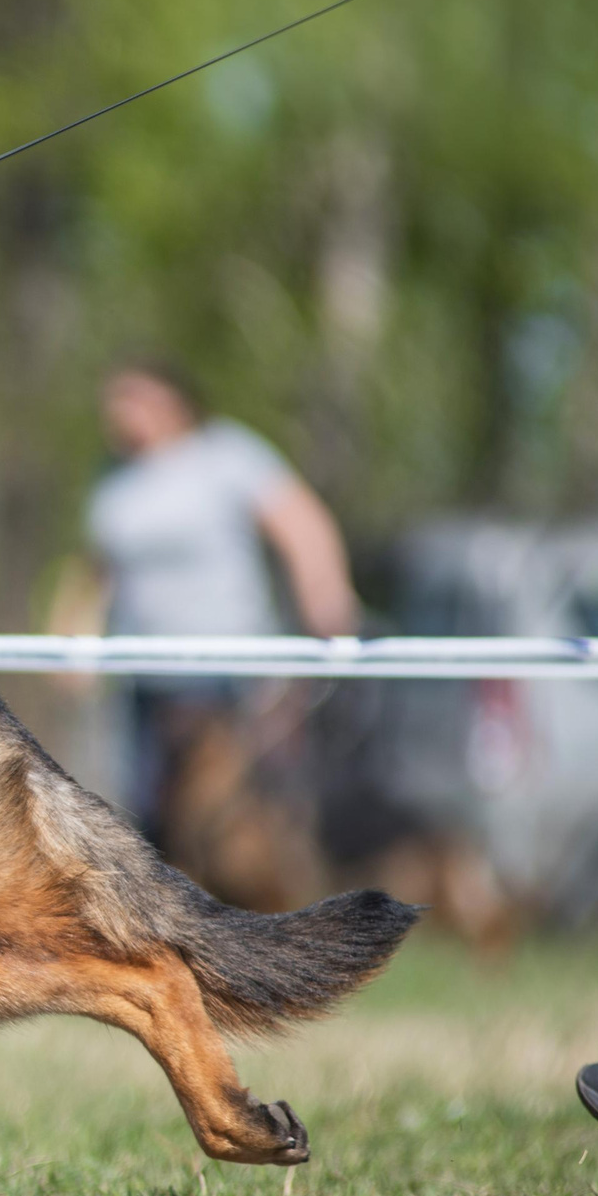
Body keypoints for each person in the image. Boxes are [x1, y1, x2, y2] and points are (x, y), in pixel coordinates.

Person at [62, 361, 360, 851]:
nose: (116, 414)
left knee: (231, 818)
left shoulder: (227, 455)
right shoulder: (114, 481)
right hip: (143, 674)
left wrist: (327, 602)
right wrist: (72, 641)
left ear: (169, 401)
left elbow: (304, 526)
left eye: (129, 398)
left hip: (225, 671)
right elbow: (96, 569)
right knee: (149, 814)